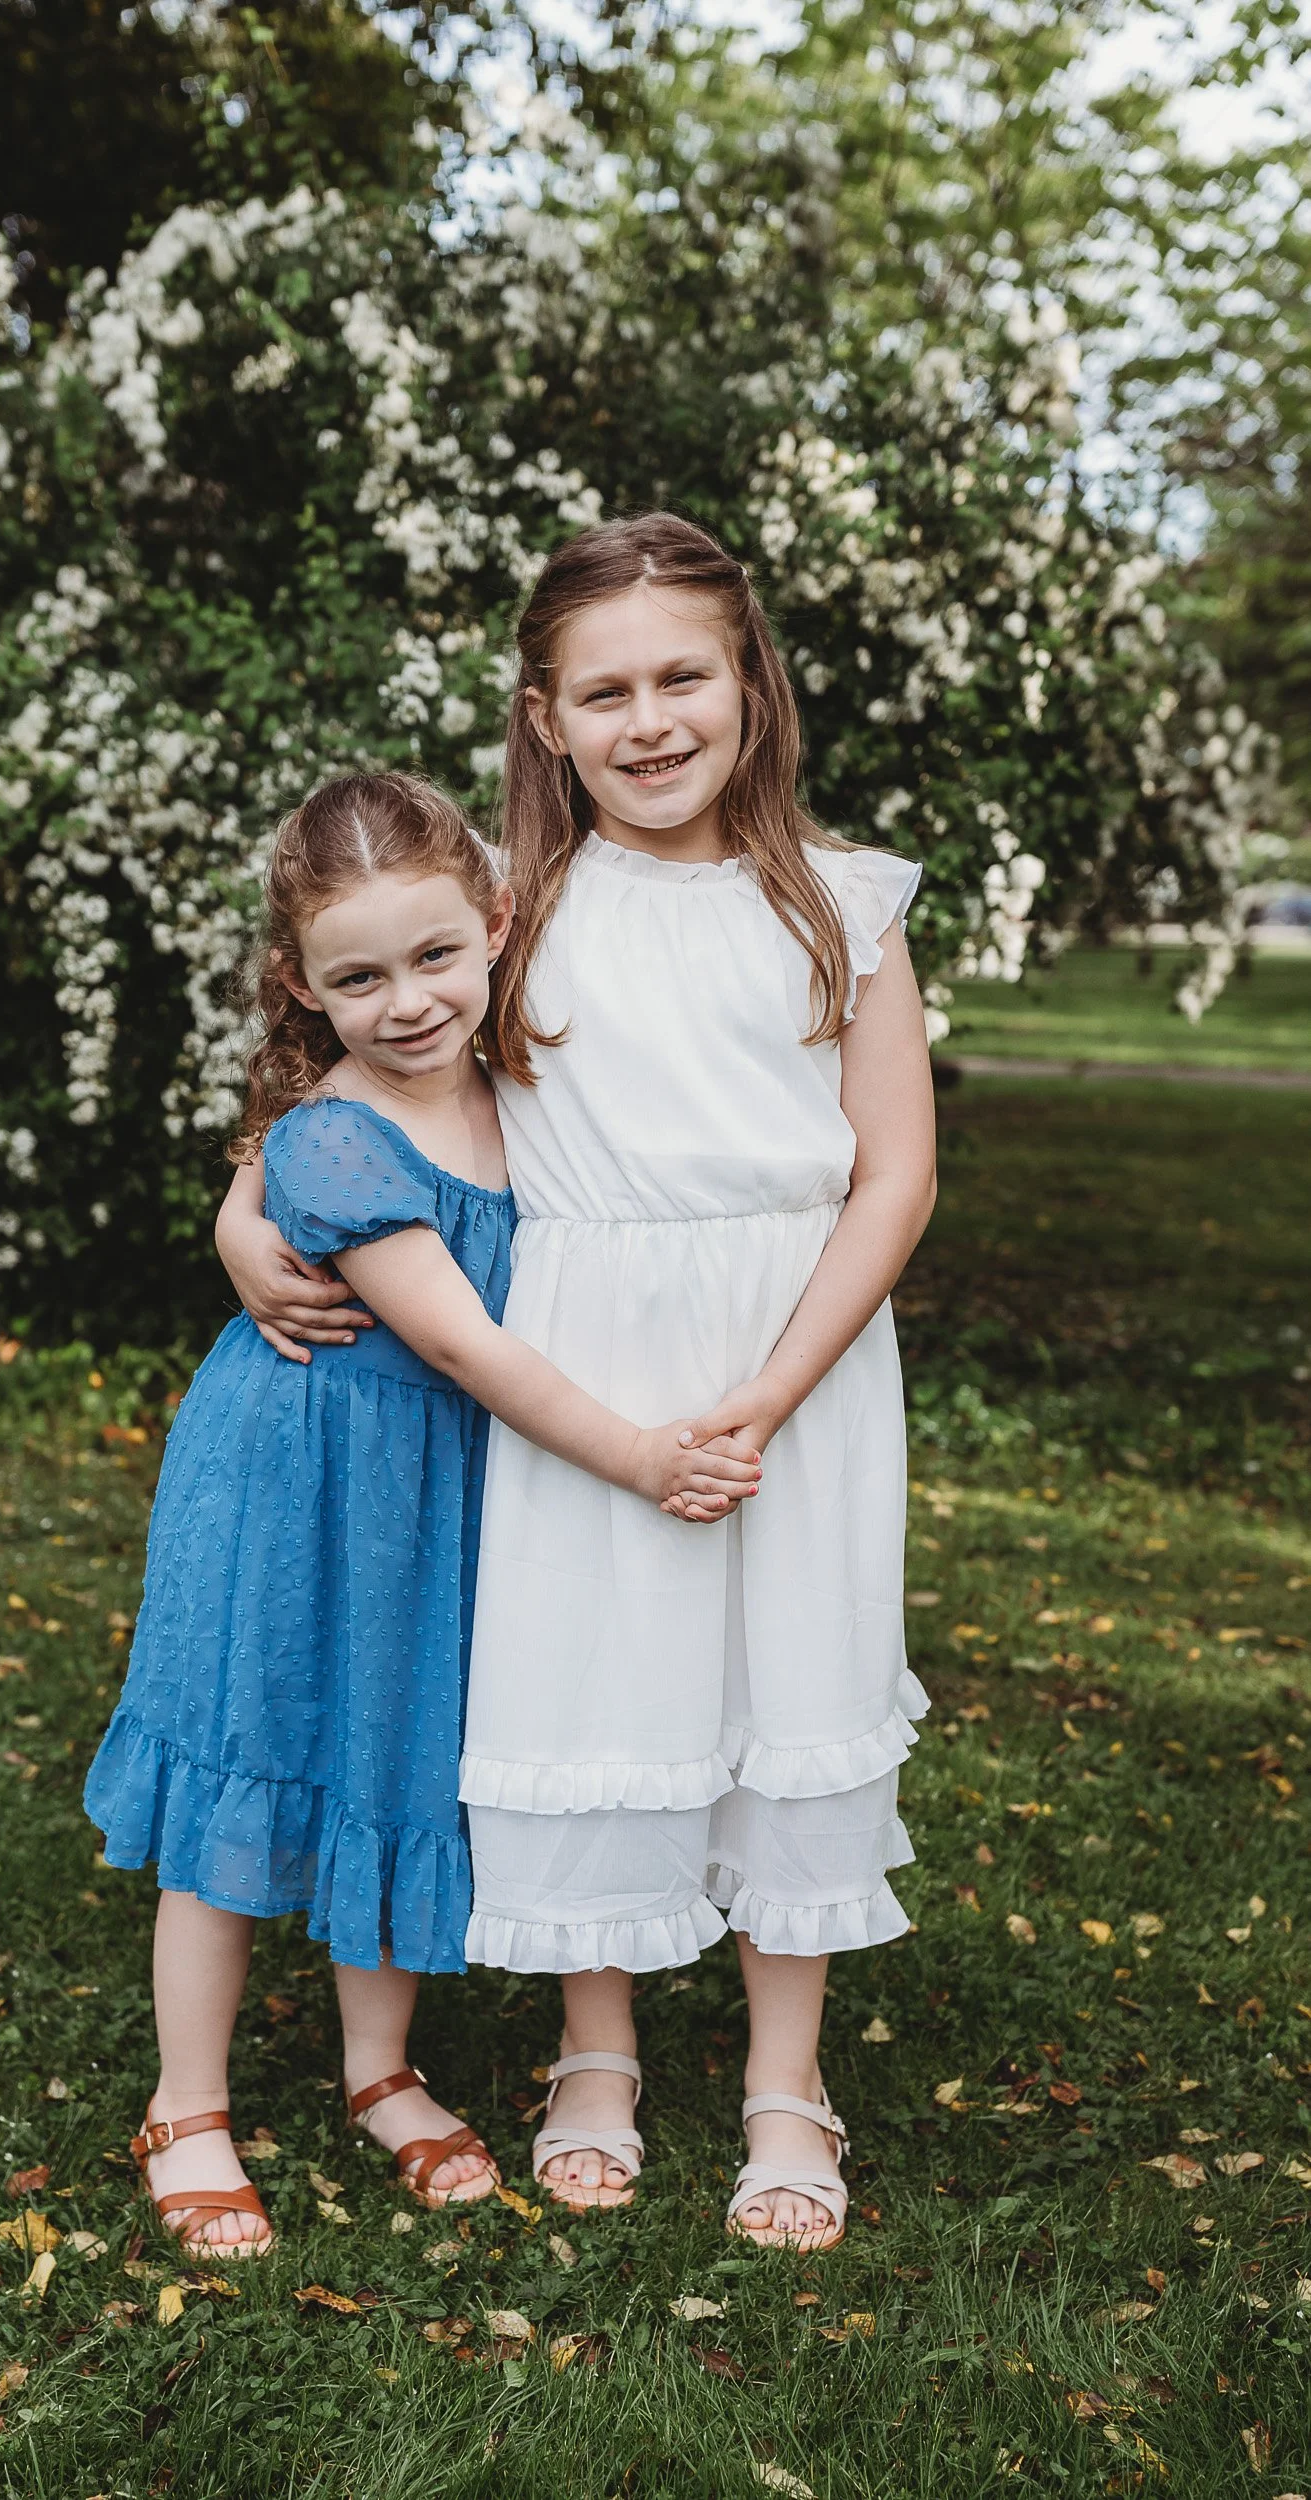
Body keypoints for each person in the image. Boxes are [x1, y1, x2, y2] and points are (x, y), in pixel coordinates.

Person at [218, 517, 937, 2253]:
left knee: (795, 1686)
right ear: (543, 717)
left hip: (801, 1359)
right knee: (596, 1688)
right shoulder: (512, 915)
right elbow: (342, 1091)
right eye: (602, 691)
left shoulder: (847, 903)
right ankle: (593, 2053)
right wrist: (241, 1214)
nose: (649, 719)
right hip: (583, 1350)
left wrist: (768, 1396)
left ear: (747, 685)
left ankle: (785, 2081)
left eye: (682, 676)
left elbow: (894, 1178)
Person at [87, 767, 757, 2257]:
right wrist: (643, 1459)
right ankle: (184, 2102)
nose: (405, 1001)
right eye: (358, 977)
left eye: (436, 956)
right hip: (296, 1480)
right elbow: (460, 1340)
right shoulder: (333, 1141)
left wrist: (228, 1213)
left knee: (396, 1753)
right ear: (299, 988)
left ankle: (375, 2069)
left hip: (437, 1484)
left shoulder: (528, 1086)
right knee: (252, 1755)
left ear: (498, 924)